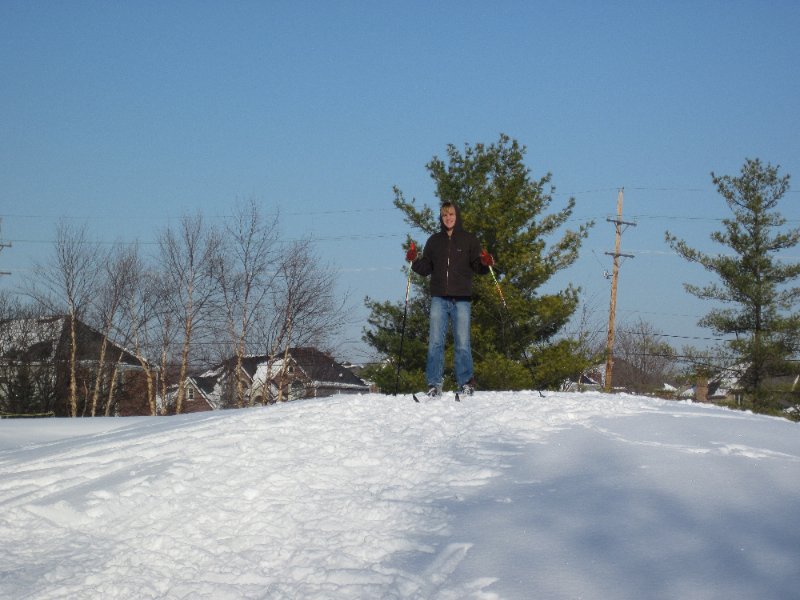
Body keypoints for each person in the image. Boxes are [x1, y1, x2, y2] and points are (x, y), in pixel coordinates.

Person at [406, 201, 494, 398]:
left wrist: (486, 264)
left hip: (462, 298)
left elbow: (477, 266)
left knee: (462, 342)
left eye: (451, 214)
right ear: (441, 217)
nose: (448, 218)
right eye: (445, 215)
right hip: (439, 297)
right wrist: (413, 260)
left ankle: (466, 382)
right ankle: (434, 383)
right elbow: (426, 268)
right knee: (435, 342)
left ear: (457, 216)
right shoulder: (434, 241)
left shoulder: (468, 240)